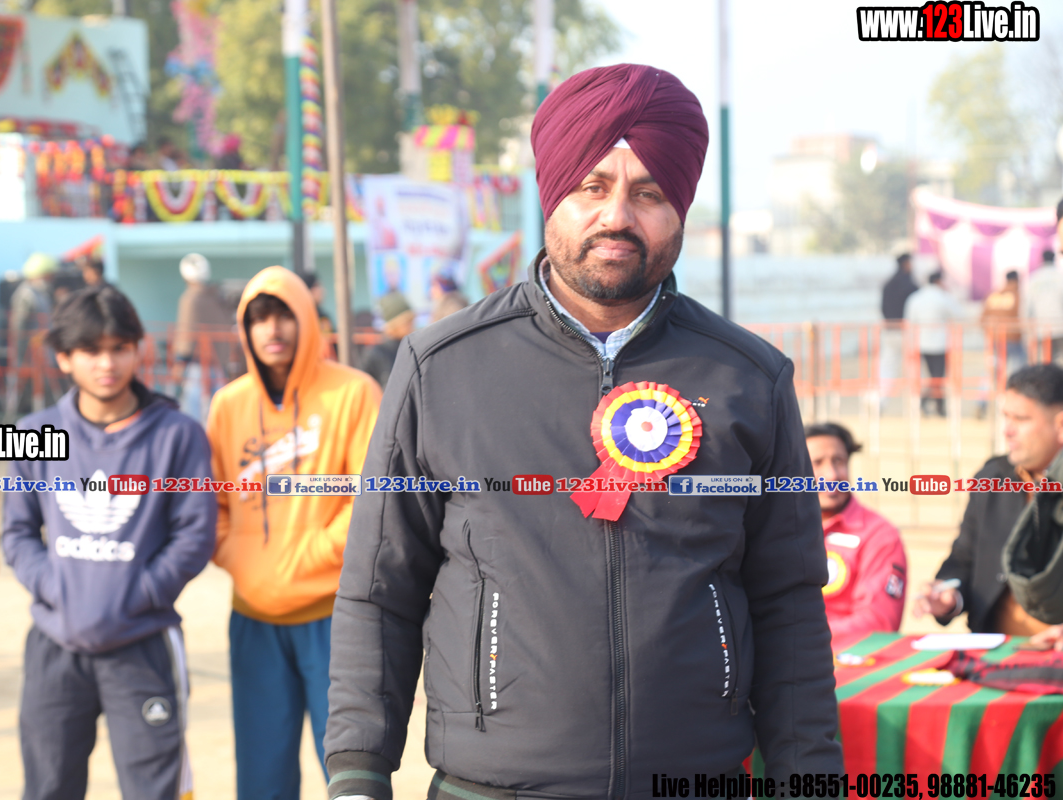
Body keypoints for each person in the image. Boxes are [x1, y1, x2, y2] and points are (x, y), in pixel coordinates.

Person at [324, 63, 842, 800]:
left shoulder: (749, 378)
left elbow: (788, 602)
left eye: (648, 193)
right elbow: (380, 590)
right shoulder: (441, 366)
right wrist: (356, 773)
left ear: (681, 208)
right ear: (553, 194)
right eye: (592, 187)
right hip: (490, 787)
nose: (616, 216)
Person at [2, 285, 217, 800]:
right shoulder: (33, 433)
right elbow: (16, 532)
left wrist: (140, 593)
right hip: (55, 644)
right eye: (90, 350)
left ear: (139, 349)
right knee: (47, 787)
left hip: (143, 641)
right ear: (64, 357)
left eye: (120, 348)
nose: (107, 363)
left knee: (156, 790)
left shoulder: (176, 434)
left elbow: (194, 534)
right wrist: (55, 587)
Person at [205, 266, 380, 799]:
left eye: (283, 315)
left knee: (350, 777)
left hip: (336, 618)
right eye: (258, 318)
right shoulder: (228, 404)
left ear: (306, 318)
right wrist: (239, 556)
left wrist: (312, 554)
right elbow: (213, 504)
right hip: (253, 618)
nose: (272, 329)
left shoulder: (353, 393)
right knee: (262, 779)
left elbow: (372, 498)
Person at [914, 364, 1063, 635]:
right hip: (994, 647)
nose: (1007, 430)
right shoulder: (992, 478)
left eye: (1021, 419)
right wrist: (949, 596)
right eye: (1006, 417)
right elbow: (963, 559)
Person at [806, 422, 907, 649]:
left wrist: (798, 635)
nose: (832, 474)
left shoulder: (879, 535)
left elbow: (879, 622)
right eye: (817, 463)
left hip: (845, 661)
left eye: (839, 461)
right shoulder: (775, 529)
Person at [173, 252, 233, 421]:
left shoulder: (190, 298)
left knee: (193, 413)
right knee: (218, 413)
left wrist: (180, 361)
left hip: (198, 365)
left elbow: (186, 334)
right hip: (218, 365)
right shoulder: (216, 297)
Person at [904, 269, 963, 417]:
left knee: (934, 377)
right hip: (939, 345)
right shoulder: (943, 297)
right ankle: (934, 405)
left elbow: (909, 320)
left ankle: (932, 405)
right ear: (939, 281)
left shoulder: (916, 297)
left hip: (921, 344)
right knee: (938, 378)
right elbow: (959, 314)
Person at [360, 291, 414, 390]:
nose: (411, 325)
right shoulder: (376, 353)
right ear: (394, 325)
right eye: (407, 322)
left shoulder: (413, 347)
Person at [981, 270, 1025, 377]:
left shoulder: (994, 294)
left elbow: (982, 318)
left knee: (996, 366)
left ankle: (996, 385)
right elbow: (1023, 316)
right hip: (1012, 337)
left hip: (994, 336)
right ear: (1017, 280)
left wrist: (989, 332)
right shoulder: (1017, 295)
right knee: (1019, 364)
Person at [1027, 243, 1063, 363]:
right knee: (1059, 359)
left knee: (1044, 360)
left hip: (1040, 327)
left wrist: (1027, 328)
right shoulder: (1060, 276)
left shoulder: (1034, 278)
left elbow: (1027, 305)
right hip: (1059, 326)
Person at [881, 253, 917, 321]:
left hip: (891, 323)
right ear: (905, 264)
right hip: (904, 323)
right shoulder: (907, 284)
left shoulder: (889, 284)